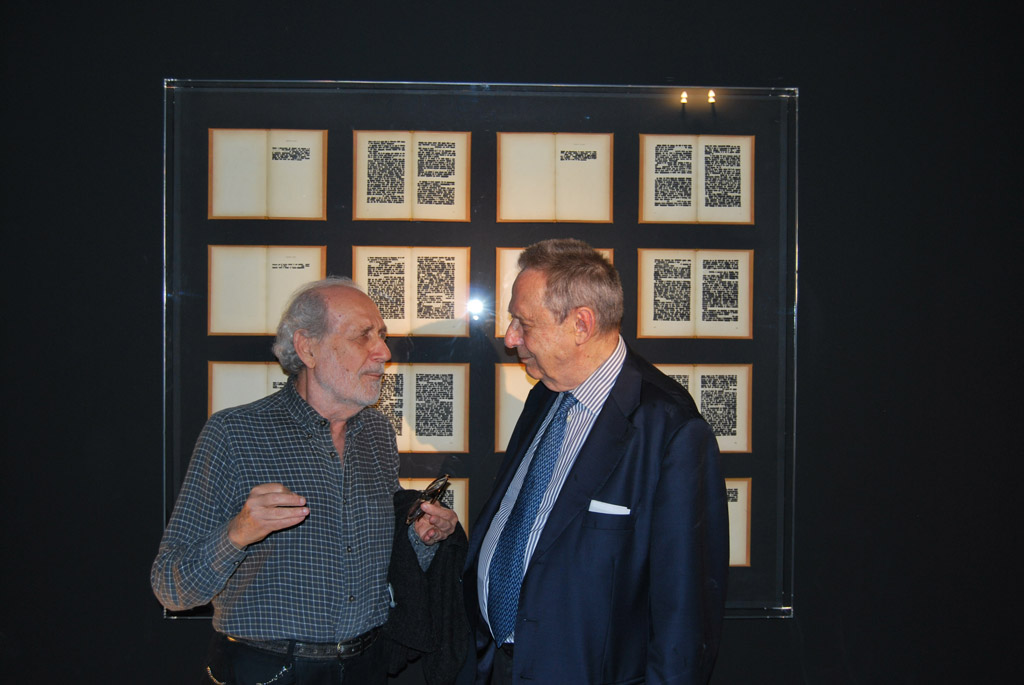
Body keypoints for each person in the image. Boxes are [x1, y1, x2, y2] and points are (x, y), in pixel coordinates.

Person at [152, 277, 461, 684]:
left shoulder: (377, 435)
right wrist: (238, 533)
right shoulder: (235, 434)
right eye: (363, 336)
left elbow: (381, 562)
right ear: (307, 348)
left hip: (366, 666)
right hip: (268, 669)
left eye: (382, 336)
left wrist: (422, 538)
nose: (384, 352)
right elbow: (171, 586)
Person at [464, 239, 729, 684]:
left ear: (581, 325)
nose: (510, 338)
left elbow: (684, 623)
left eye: (523, 323)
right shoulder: (546, 395)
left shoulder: (670, 430)